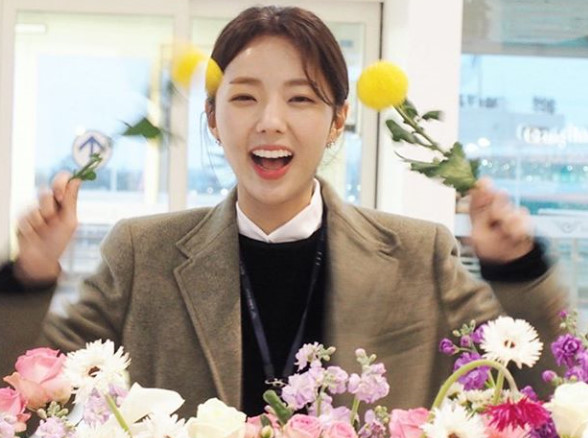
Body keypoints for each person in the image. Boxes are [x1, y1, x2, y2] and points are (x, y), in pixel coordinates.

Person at [0, 6, 566, 416]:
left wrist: (516, 269)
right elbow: (27, 394)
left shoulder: (418, 253)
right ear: (213, 118)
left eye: (300, 98)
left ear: (338, 120)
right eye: (244, 97)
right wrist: (30, 275)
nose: (271, 121)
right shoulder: (142, 253)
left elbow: (535, 389)